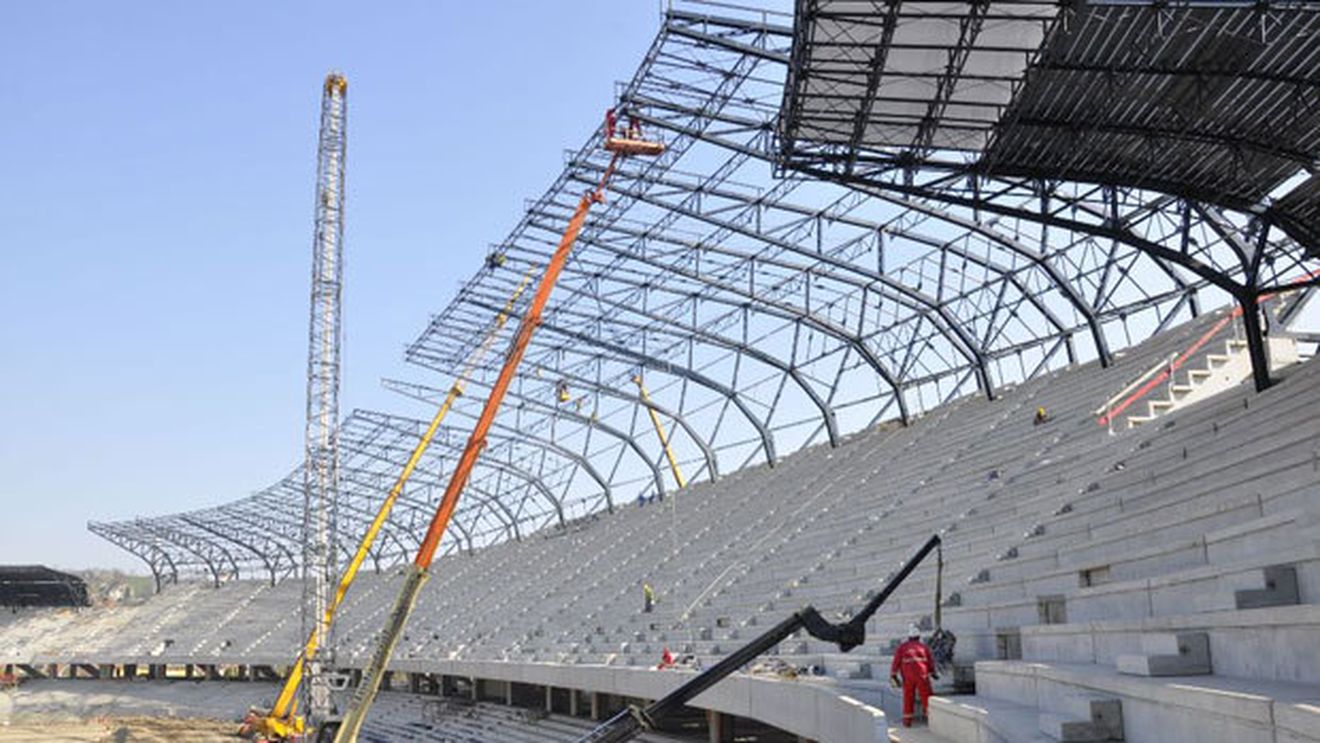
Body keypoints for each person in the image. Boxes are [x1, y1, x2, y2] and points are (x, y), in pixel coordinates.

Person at [890, 624, 938, 727]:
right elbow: (930, 662)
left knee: (908, 698)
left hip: (908, 676)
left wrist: (893, 674)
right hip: (922, 675)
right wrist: (933, 673)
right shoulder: (923, 647)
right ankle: (932, 720)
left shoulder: (902, 647)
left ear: (909, 637)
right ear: (918, 637)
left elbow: (896, 662)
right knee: (926, 697)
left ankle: (907, 722)